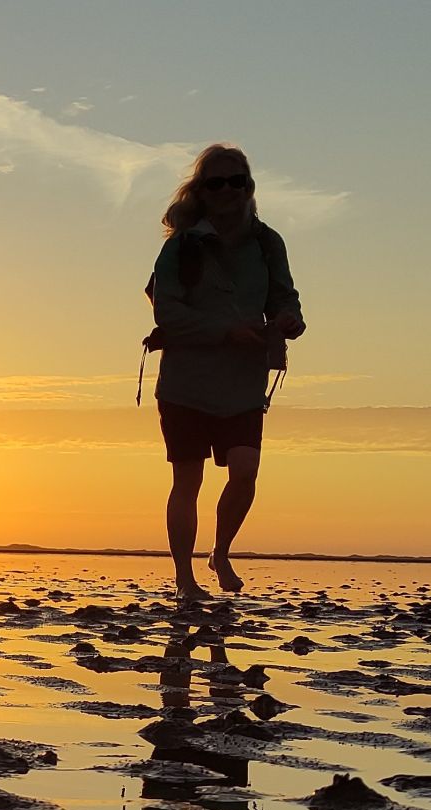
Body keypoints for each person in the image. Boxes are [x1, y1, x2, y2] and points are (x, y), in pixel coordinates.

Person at [149, 144, 304, 601]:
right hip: (185, 382)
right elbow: (168, 314)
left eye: (238, 181)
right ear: (201, 191)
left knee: (246, 470)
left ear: (249, 188)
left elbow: (284, 296)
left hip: (243, 382)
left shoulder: (267, 241)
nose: (228, 190)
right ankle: (184, 578)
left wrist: (290, 319)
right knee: (187, 481)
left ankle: (220, 551)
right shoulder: (181, 246)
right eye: (216, 182)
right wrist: (226, 331)